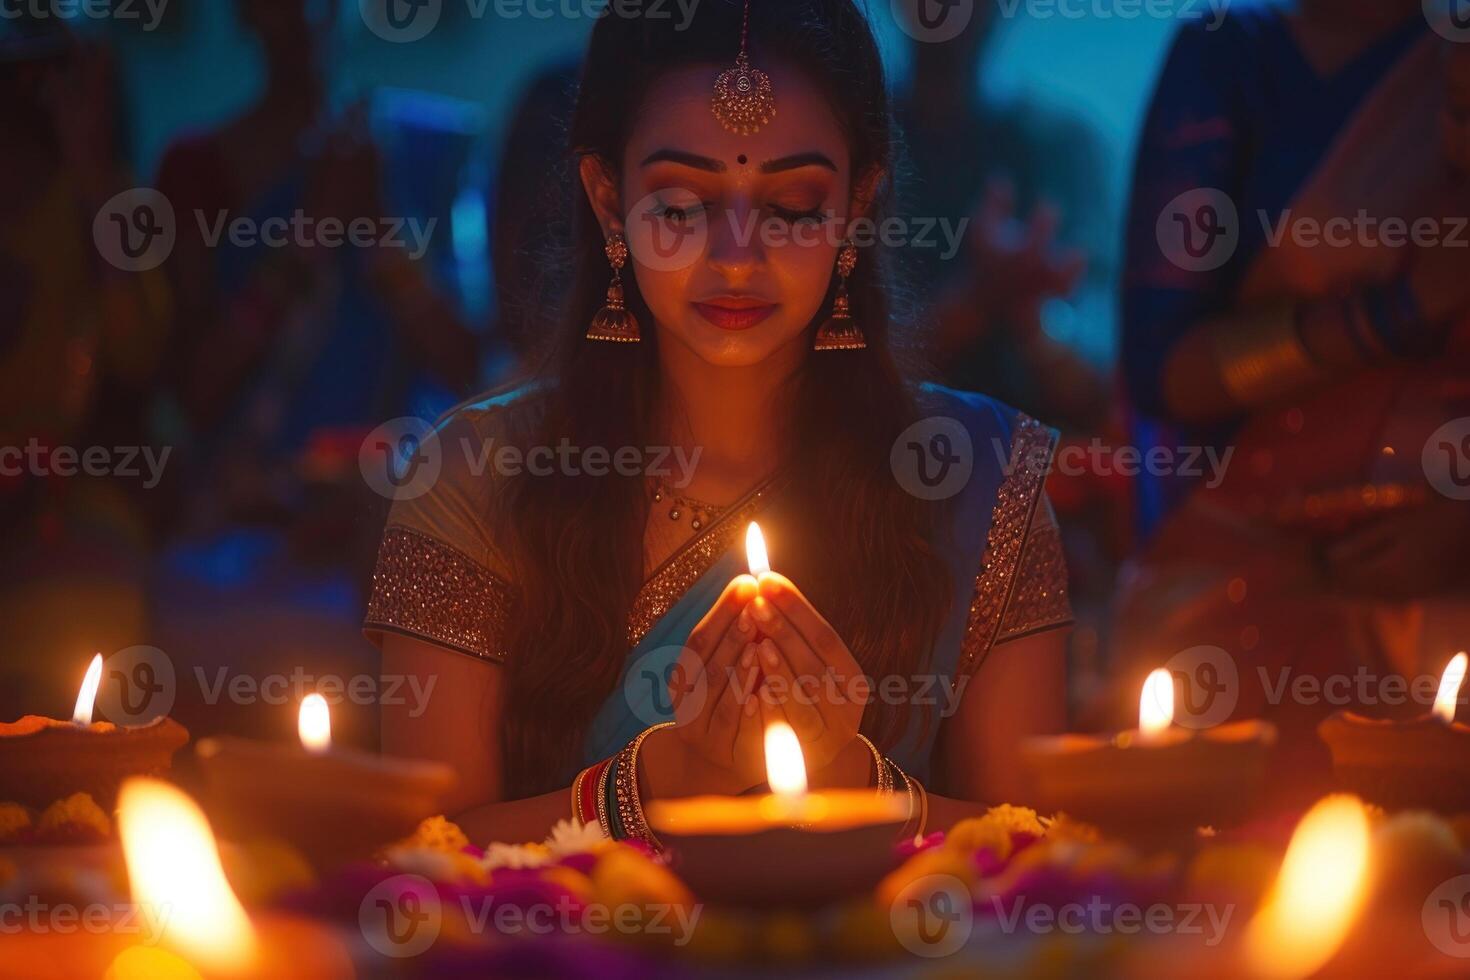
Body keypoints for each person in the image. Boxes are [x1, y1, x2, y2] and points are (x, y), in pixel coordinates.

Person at [363, 0, 1072, 845]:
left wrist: (855, 781)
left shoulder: (983, 483)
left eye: (794, 208)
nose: (737, 255)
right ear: (605, 198)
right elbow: (419, 860)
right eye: (681, 206)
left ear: (858, 204)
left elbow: (1044, 855)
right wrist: (656, 784)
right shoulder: (472, 479)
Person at [1115, 0, 1470, 806]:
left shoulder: (1449, 41)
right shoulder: (1229, 57)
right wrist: (1398, 312)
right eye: (1452, 115)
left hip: (1451, 606)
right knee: (1234, 889)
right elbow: (1162, 367)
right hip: (1252, 587)